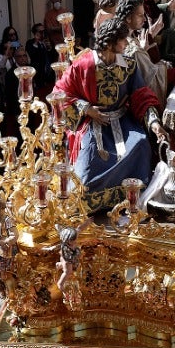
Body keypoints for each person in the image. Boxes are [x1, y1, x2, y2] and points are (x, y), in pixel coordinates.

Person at [52, 16, 163, 212]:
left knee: (141, 143)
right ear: (111, 42)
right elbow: (60, 93)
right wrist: (86, 109)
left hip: (122, 121)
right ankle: (89, 199)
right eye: (123, 39)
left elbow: (140, 95)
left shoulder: (129, 65)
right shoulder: (83, 66)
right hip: (94, 124)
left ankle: (131, 196)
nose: (127, 43)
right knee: (88, 164)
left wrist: (153, 121)